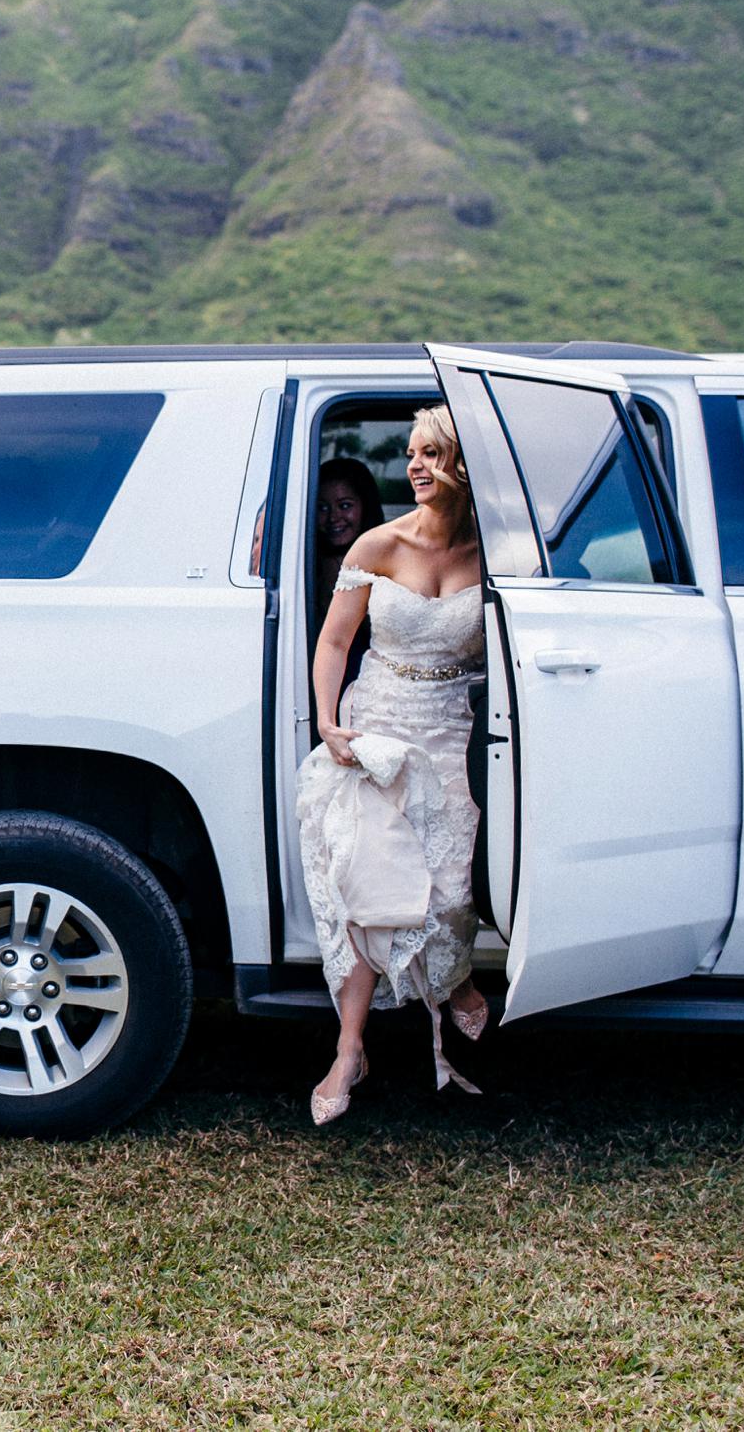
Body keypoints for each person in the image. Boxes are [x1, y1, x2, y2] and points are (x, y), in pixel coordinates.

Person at [294, 406, 491, 1125]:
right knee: (368, 880)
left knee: (450, 888)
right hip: (377, 724)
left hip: (450, 729)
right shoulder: (377, 546)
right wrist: (328, 720)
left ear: (462, 466)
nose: (414, 465)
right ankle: (350, 1046)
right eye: (410, 453)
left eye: (430, 453)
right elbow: (333, 642)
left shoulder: (494, 555)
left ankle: (458, 978)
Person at [311, 456, 386, 597]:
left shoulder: (390, 558)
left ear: (366, 506)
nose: (333, 517)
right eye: (322, 507)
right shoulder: (306, 563)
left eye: (345, 505)